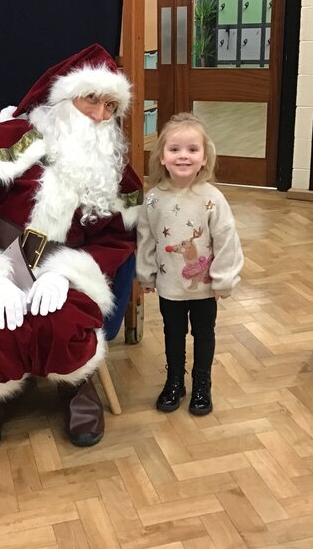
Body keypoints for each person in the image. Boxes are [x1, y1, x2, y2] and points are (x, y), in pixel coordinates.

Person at [0, 44, 142, 454]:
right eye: (91, 100)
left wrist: (68, 273)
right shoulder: (6, 141)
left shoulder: (115, 169)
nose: (100, 115)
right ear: (62, 98)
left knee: (63, 321)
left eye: (111, 106)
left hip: (64, 274)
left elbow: (117, 238)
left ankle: (77, 389)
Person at [136, 113, 243, 416]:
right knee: (172, 334)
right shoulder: (154, 199)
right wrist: (146, 274)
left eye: (192, 149)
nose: (183, 155)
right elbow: (145, 238)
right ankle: (174, 382)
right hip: (170, 287)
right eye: (175, 149)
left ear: (204, 157)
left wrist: (223, 280)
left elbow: (226, 240)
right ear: (162, 157)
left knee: (204, 335)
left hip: (205, 290)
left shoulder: (213, 199)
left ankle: (201, 384)